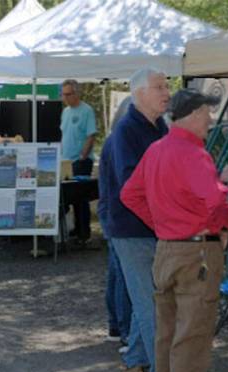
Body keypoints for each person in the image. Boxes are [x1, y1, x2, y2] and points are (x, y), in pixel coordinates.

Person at [120, 88, 228, 372]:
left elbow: (129, 195)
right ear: (194, 114)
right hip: (197, 252)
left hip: (167, 250)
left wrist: (163, 224)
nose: (210, 121)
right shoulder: (194, 153)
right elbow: (213, 200)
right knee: (191, 338)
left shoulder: (157, 149)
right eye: (207, 114)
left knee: (166, 336)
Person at [101, 68, 171, 372]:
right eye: (159, 87)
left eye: (167, 85)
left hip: (155, 227)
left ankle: (133, 367)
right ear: (139, 93)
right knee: (150, 307)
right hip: (132, 229)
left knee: (154, 301)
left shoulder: (159, 127)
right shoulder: (127, 131)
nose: (167, 92)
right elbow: (133, 184)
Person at [97, 99, 134, 347]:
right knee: (123, 273)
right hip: (118, 212)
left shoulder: (112, 140)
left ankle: (115, 324)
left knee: (116, 270)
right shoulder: (120, 142)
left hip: (110, 210)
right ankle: (124, 328)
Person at [61, 79, 99, 244]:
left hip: (81, 160)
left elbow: (91, 134)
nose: (66, 97)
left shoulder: (86, 110)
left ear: (77, 93)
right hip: (66, 160)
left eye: (69, 94)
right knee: (71, 197)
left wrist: (83, 155)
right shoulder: (66, 111)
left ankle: (84, 232)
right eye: (64, 94)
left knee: (81, 199)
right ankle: (76, 229)